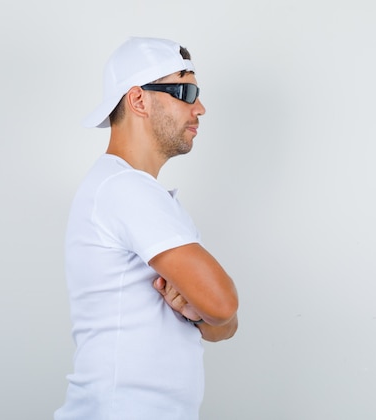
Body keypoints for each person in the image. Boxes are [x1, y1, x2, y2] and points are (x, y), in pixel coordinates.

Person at [54, 36, 239, 420]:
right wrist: (210, 310)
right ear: (138, 100)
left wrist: (199, 310)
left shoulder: (140, 193)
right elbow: (223, 305)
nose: (200, 107)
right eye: (185, 90)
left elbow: (223, 324)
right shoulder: (124, 189)